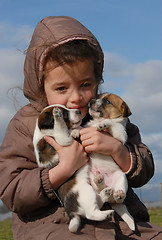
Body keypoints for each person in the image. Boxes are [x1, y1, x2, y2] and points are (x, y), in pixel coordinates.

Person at [0, 16, 161, 240]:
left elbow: (145, 166)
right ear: (40, 85)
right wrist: (61, 170)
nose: (75, 97)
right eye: (62, 87)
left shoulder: (109, 114)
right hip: (57, 226)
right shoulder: (26, 124)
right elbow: (12, 190)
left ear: (97, 80)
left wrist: (118, 151)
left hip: (121, 226)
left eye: (85, 85)